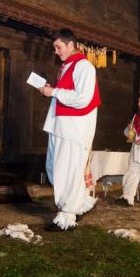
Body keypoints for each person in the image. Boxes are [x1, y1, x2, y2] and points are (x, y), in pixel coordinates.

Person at [39, 28, 101, 231]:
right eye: (54, 48)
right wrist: (51, 91)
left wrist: (54, 91)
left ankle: (66, 217)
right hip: (61, 125)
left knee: (67, 171)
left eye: (58, 47)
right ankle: (81, 204)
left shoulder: (84, 67)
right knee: (55, 168)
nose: (56, 51)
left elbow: (83, 98)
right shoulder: (67, 67)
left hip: (74, 128)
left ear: (70, 45)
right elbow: (65, 94)